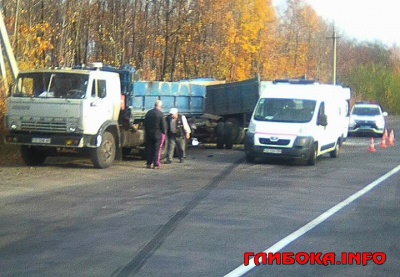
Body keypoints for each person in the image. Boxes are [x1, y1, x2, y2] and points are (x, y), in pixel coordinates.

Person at [144, 100, 167, 169]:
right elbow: (163, 125)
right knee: (157, 149)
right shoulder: (161, 114)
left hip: (149, 133)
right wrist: (164, 132)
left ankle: (148, 163)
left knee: (149, 148)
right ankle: (156, 164)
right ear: (160, 106)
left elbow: (145, 123)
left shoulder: (148, 113)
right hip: (157, 133)